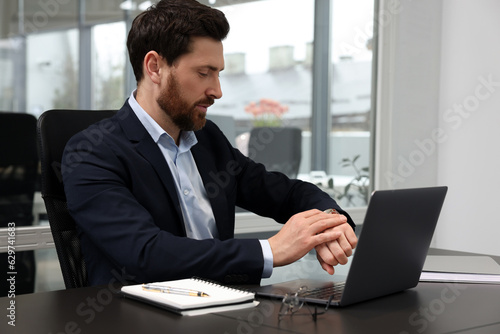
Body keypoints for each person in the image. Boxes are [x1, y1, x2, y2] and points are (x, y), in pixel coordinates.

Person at [62, 0, 357, 286]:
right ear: (154, 67)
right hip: (140, 316)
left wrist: (331, 221)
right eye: (204, 73)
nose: (217, 91)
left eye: (218, 74)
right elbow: (145, 253)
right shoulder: (92, 151)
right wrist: (270, 250)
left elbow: (284, 193)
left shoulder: (208, 139)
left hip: (222, 305)